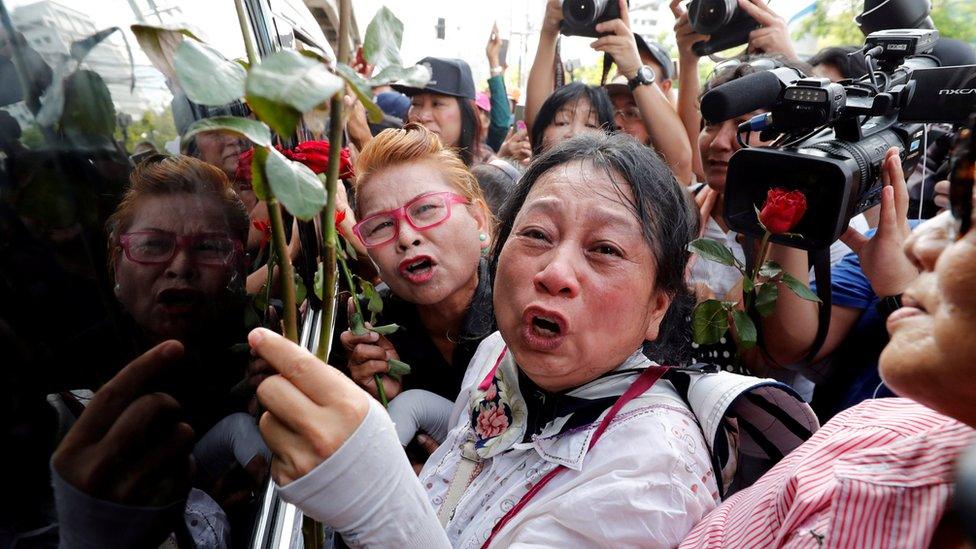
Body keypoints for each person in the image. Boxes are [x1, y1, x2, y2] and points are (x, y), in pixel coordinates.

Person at [257, 132, 720, 546]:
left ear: (659, 303)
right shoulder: (497, 353)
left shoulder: (649, 478)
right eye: (537, 234)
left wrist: (376, 497)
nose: (555, 272)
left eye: (605, 250)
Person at [680, 141, 976, 547]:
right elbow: (791, 345)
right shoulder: (858, 431)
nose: (918, 246)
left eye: (967, 215)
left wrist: (898, 291)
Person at [338, 124, 495, 404]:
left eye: (425, 209)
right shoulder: (368, 328)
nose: (406, 238)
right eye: (382, 225)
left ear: (478, 219)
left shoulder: (524, 307)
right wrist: (374, 403)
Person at [528, 0, 693, 183]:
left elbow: (681, 165)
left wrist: (634, 69)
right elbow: (537, 119)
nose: (618, 123)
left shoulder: (638, 187)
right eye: (562, 122)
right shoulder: (544, 173)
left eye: (632, 113)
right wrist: (549, 31)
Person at [393, 57, 493, 166]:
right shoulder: (391, 166)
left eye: (437, 104)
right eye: (416, 103)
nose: (423, 116)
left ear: (466, 112)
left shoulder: (486, 175)